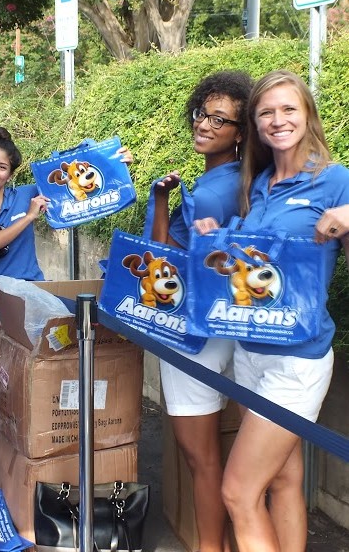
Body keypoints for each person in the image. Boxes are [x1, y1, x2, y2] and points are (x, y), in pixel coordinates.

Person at [195, 70, 349, 552]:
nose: (278, 120)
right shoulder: (258, 183)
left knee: (238, 493)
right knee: (283, 480)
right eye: (266, 112)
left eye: (288, 109)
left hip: (296, 361)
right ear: (255, 125)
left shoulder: (335, 179)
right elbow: (249, 265)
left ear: (308, 115)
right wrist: (215, 239)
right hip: (250, 352)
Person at [148, 70, 254, 552]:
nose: (204, 124)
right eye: (202, 113)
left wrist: (160, 201)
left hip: (194, 333)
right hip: (235, 328)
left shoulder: (211, 192)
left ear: (240, 132)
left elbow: (162, 260)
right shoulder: (242, 182)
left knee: (202, 459)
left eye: (219, 119)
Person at [0, 127, 133, 299]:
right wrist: (29, 217)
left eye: (2, 167)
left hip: (33, 291)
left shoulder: (26, 195)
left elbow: (76, 183)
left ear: (10, 175)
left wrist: (115, 163)